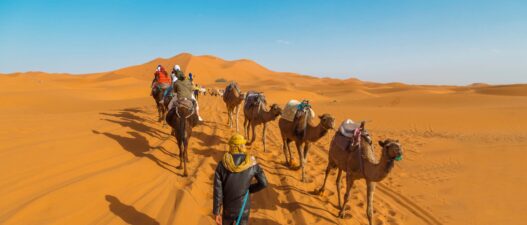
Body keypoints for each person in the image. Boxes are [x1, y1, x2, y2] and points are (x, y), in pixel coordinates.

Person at [213, 134, 268, 225]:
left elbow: (218, 191)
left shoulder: (222, 164)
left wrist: (217, 212)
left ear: (231, 146)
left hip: (228, 210)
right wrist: (249, 189)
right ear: (242, 146)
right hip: (244, 209)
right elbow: (264, 183)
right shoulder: (252, 162)